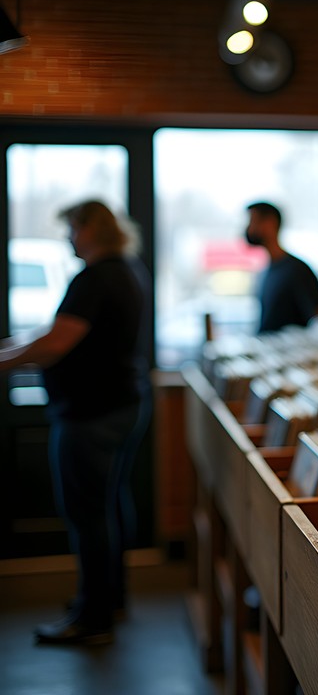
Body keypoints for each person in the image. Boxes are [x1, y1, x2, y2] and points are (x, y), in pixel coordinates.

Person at [0, 200, 145, 645]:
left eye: (72, 229)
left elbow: (56, 342)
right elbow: (54, 332)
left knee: (87, 514)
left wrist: (4, 363)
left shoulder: (94, 278)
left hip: (91, 414)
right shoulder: (124, 272)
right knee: (108, 507)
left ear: (91, 230)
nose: (68, 237)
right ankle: (107, 598)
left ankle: (93, 618)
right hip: (118, 405)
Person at [244, 201, 318, 333]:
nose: (249, 228)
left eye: (253, 221)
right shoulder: (266, 271)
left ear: (270, 223)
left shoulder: (297, 270)